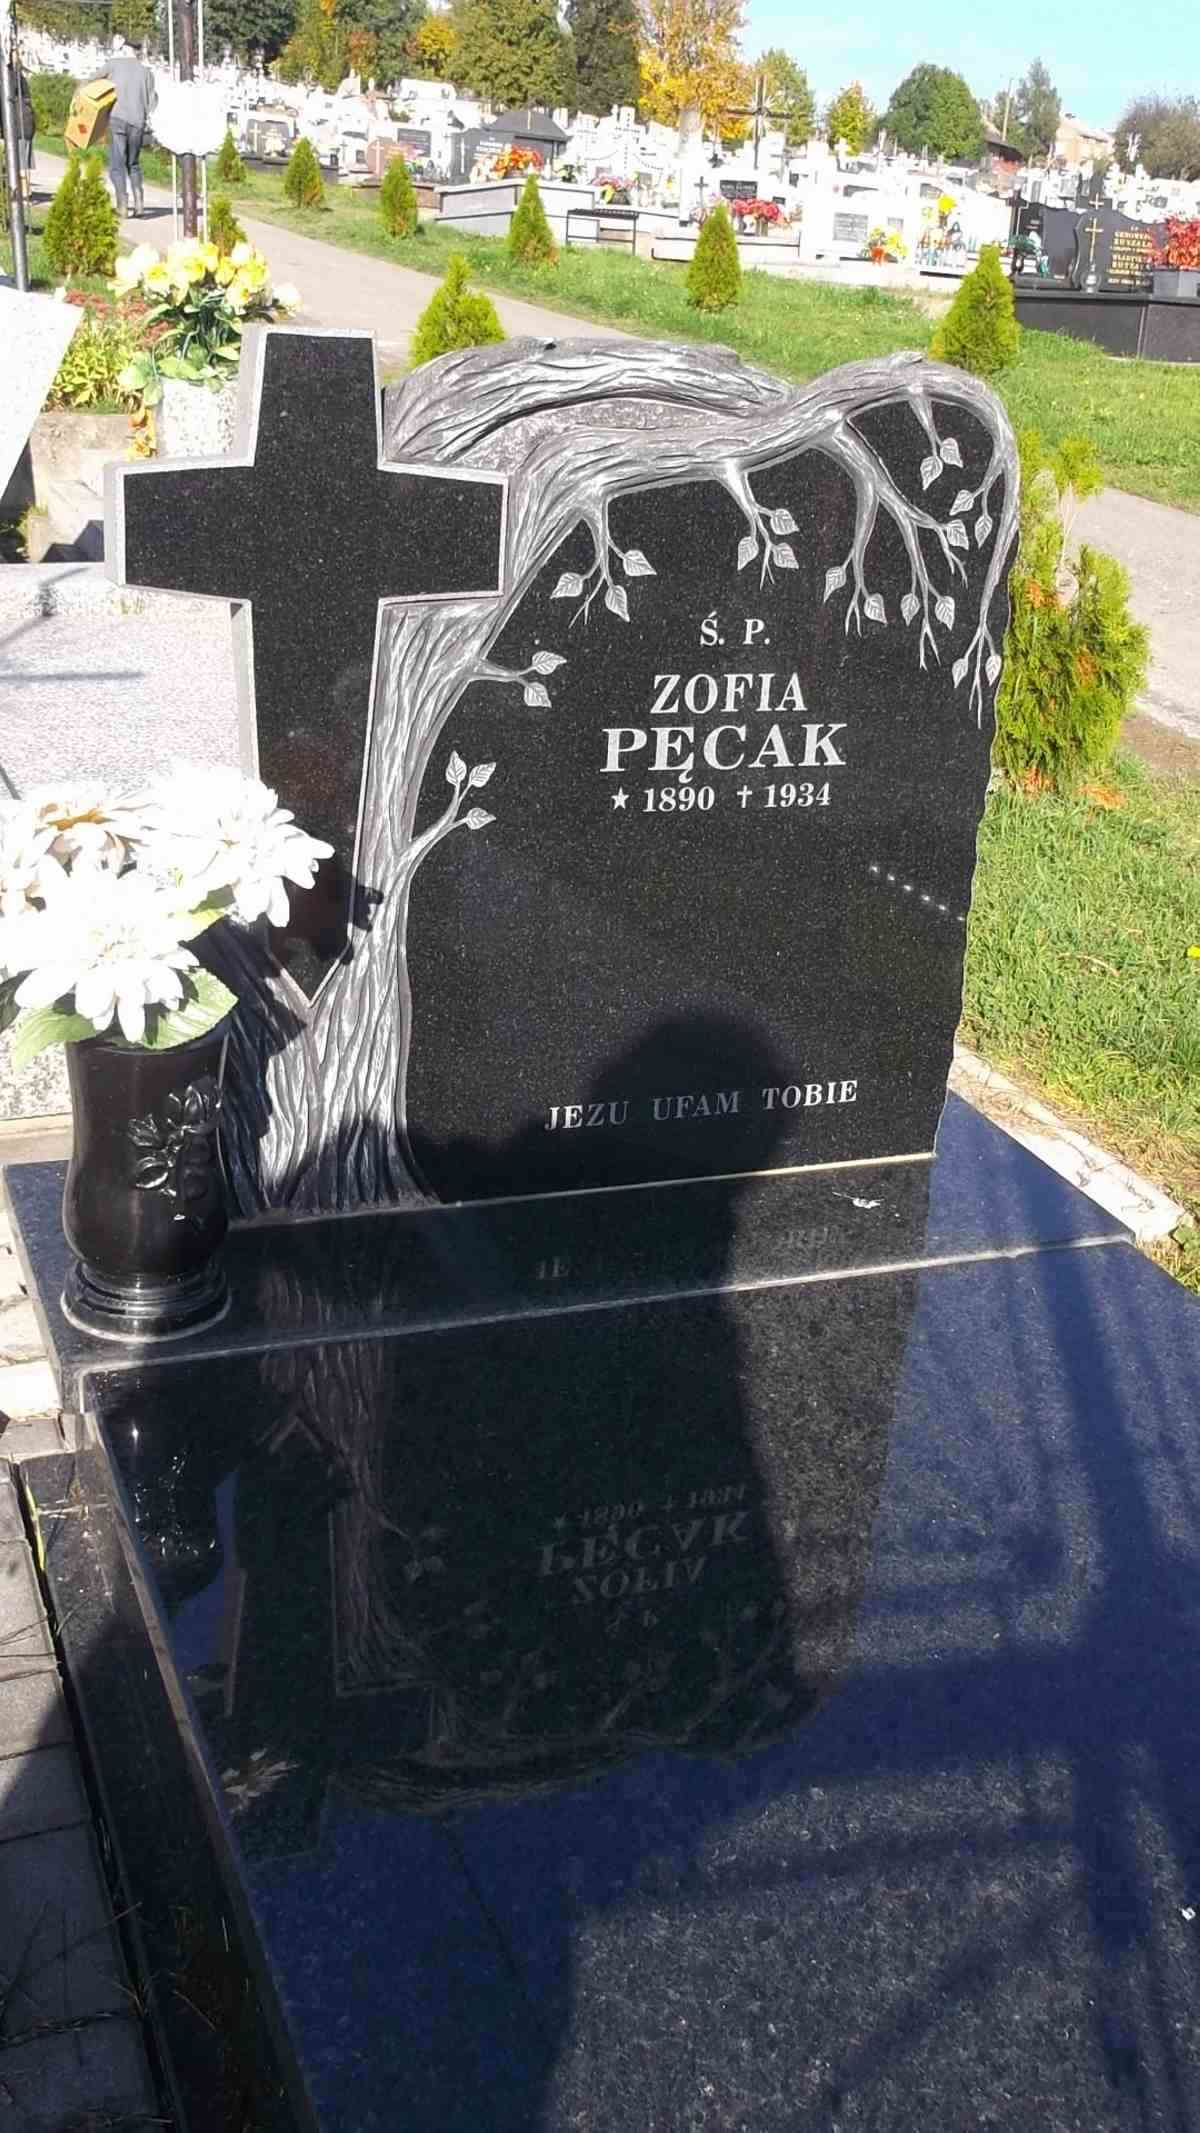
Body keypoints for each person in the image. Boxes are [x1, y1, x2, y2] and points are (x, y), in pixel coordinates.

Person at [106, 33, 155, 219]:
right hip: (138, 123)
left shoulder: (114, 65)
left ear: (124, 49)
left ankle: (122, 205)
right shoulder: (147, 73)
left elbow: (93, 80)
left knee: (117, 164)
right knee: (133, 163)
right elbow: (152, 102)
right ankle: (139, 202)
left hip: (118, 119)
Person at [0, 58, 35, 206]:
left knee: (19, 164)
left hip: (18, 127)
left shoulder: (8, 80)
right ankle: (23, 194)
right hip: (25, 126)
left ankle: (24, 196)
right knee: (21, 164)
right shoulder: (20, 79)